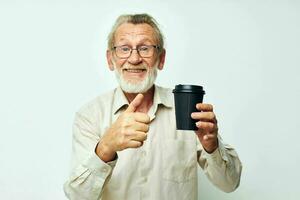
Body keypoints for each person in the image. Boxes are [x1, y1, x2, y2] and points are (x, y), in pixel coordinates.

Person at [63, 13, 242, 200]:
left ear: (161, 58)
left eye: (145, 48)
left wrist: (212, 147)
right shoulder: (90, 115)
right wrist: (105, 148)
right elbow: (77, 196)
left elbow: (230, 184)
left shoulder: (186, 108)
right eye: (124, 49)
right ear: (110, 59)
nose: (134, 59)